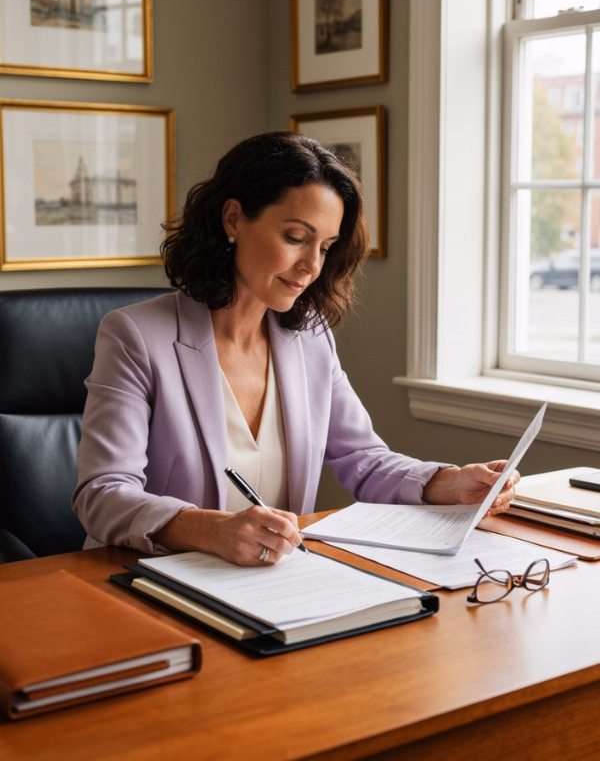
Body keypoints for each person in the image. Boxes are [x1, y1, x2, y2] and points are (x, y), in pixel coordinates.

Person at [73, 131, 518, 567]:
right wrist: (212, 530)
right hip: (147, 581)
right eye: (295, 237)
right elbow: (102, 493)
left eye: (325, 247)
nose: (311, 266)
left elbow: (362, 459)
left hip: (270, 582)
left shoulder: (311, 337)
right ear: (233, 220)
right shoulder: (134, 335)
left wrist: (450, 482)